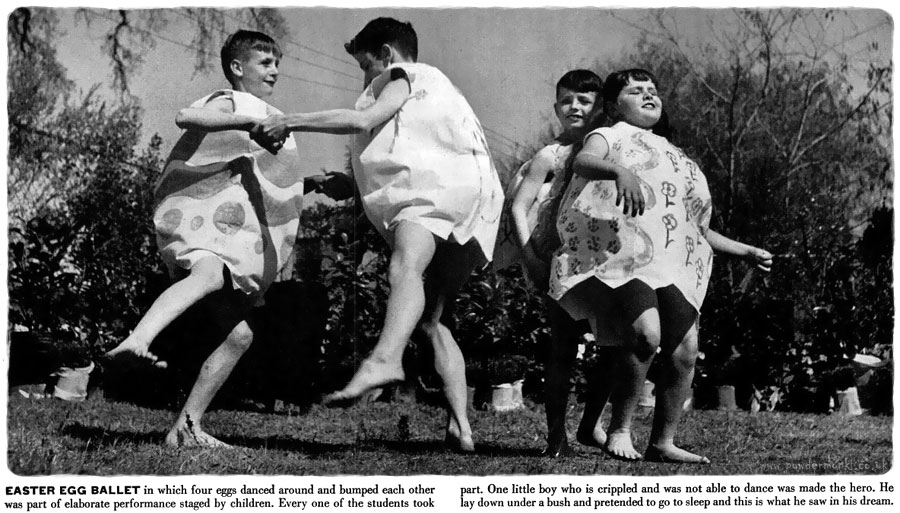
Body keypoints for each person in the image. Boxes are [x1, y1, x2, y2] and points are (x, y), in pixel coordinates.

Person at [256, 17, 504, 452]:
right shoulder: (445, 94)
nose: (366, 77)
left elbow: (363, 119)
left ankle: (385, 359)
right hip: (475, 197)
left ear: (386, 55)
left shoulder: (400, 75)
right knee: (433, 319)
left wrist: (290, 121)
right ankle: (461, 427)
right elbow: (415, 146)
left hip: (432, 191)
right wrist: (344, 184)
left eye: (365, 66)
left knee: (405, 265)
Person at [106, 30, 351, 447]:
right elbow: (187, 116)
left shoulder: (266, 116)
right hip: (202, 224)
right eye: (265, 62)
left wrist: (316, 184)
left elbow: (265, 182)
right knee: (207, 276)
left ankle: (185, 429)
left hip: (227, 233)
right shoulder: (231, 102)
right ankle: (137, 340)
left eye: (277, 63)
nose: (275, 70)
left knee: (240, 336)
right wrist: (249, 121)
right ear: (238, 69)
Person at [550, 69, 772, 463]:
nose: (648, 95)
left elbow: (697, 226)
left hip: (674, 259)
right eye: (636, 91)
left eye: (652, 90)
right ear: (614, 104)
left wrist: (744, 250)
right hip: (628, 255)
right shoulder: (609, 135)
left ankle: (662, 440)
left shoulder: (676, 156)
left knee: (686, 350)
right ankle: (619, 429)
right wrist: (619, 170)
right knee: (645, 335)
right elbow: (585, 162)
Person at [504, 69, 612, 457]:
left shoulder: (611, 149)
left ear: (601, 106)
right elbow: (518, 206)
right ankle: (556, 437)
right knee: (563, 346)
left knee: (614, 346)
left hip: (604, 259)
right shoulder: (550, 155)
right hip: (558, 259)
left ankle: (591, 425)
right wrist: (531, 257)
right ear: (556, 107)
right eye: (567, 100)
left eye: (585, 100)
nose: (575, 107)